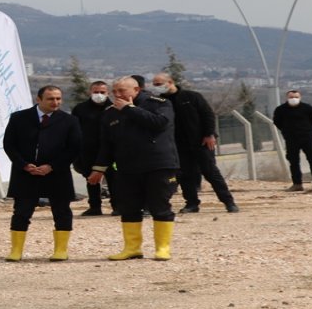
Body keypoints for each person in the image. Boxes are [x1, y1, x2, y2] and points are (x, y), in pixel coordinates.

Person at [91, 76, 179, 261]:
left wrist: (130, 109)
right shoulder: (110, 113)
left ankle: (162, 248)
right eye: (114, 91)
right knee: (129, 207)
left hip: (158, 165)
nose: (117, 95)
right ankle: (132, 248)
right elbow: (107, 144)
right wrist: (98, 169)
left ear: (136, 90)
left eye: (121, 91)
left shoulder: (159, 103)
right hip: (127, 167)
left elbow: (159, 123)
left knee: (159, 206)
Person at [2, 86, 82, 262]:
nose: (56, 102)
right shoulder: (19, 118)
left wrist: (52, 166)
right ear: (38, 99)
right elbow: (9, 145)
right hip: (25, 173)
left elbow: (74, 148)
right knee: (21, 211)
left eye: (58, 99)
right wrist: (23, 165)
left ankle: (61, 250)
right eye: (51, 99)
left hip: (56, 173)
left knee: (61, 211)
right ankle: (16, 250)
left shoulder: (69, 121)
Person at [151, 73, 239, 213]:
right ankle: (192, 203)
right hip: (178, 145)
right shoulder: (159, 102)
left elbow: (207, 114)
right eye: (155, 84)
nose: (157, 87)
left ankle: (228, 201)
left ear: (170, 82)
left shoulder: (191, 96)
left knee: (211, 172)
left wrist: (209, 134)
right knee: (185, 175)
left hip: (201, 142)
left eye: (159, 83)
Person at [71, 81, 115, 216]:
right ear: (90, 92)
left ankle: (117, 205)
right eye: (96, 92)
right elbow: (74, 129)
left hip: (111, 150)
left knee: (114, 179)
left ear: (108, 93)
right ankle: (95, 206)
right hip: (88, 150)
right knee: (91, 179)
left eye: (102, 92)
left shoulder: (114, 108)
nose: (99, 95)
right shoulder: (80, 109)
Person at [273, 90, 312, 190]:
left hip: (307, 138)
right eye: (291, 97)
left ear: (300, 97)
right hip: (291, 139)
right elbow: (277, 122)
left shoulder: (308, 108)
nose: (294, 99)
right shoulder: (281, 109)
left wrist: (308, 129)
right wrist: (286, 131)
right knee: (293, 161)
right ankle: (297, 184)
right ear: (287, 98)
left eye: (296, 97)